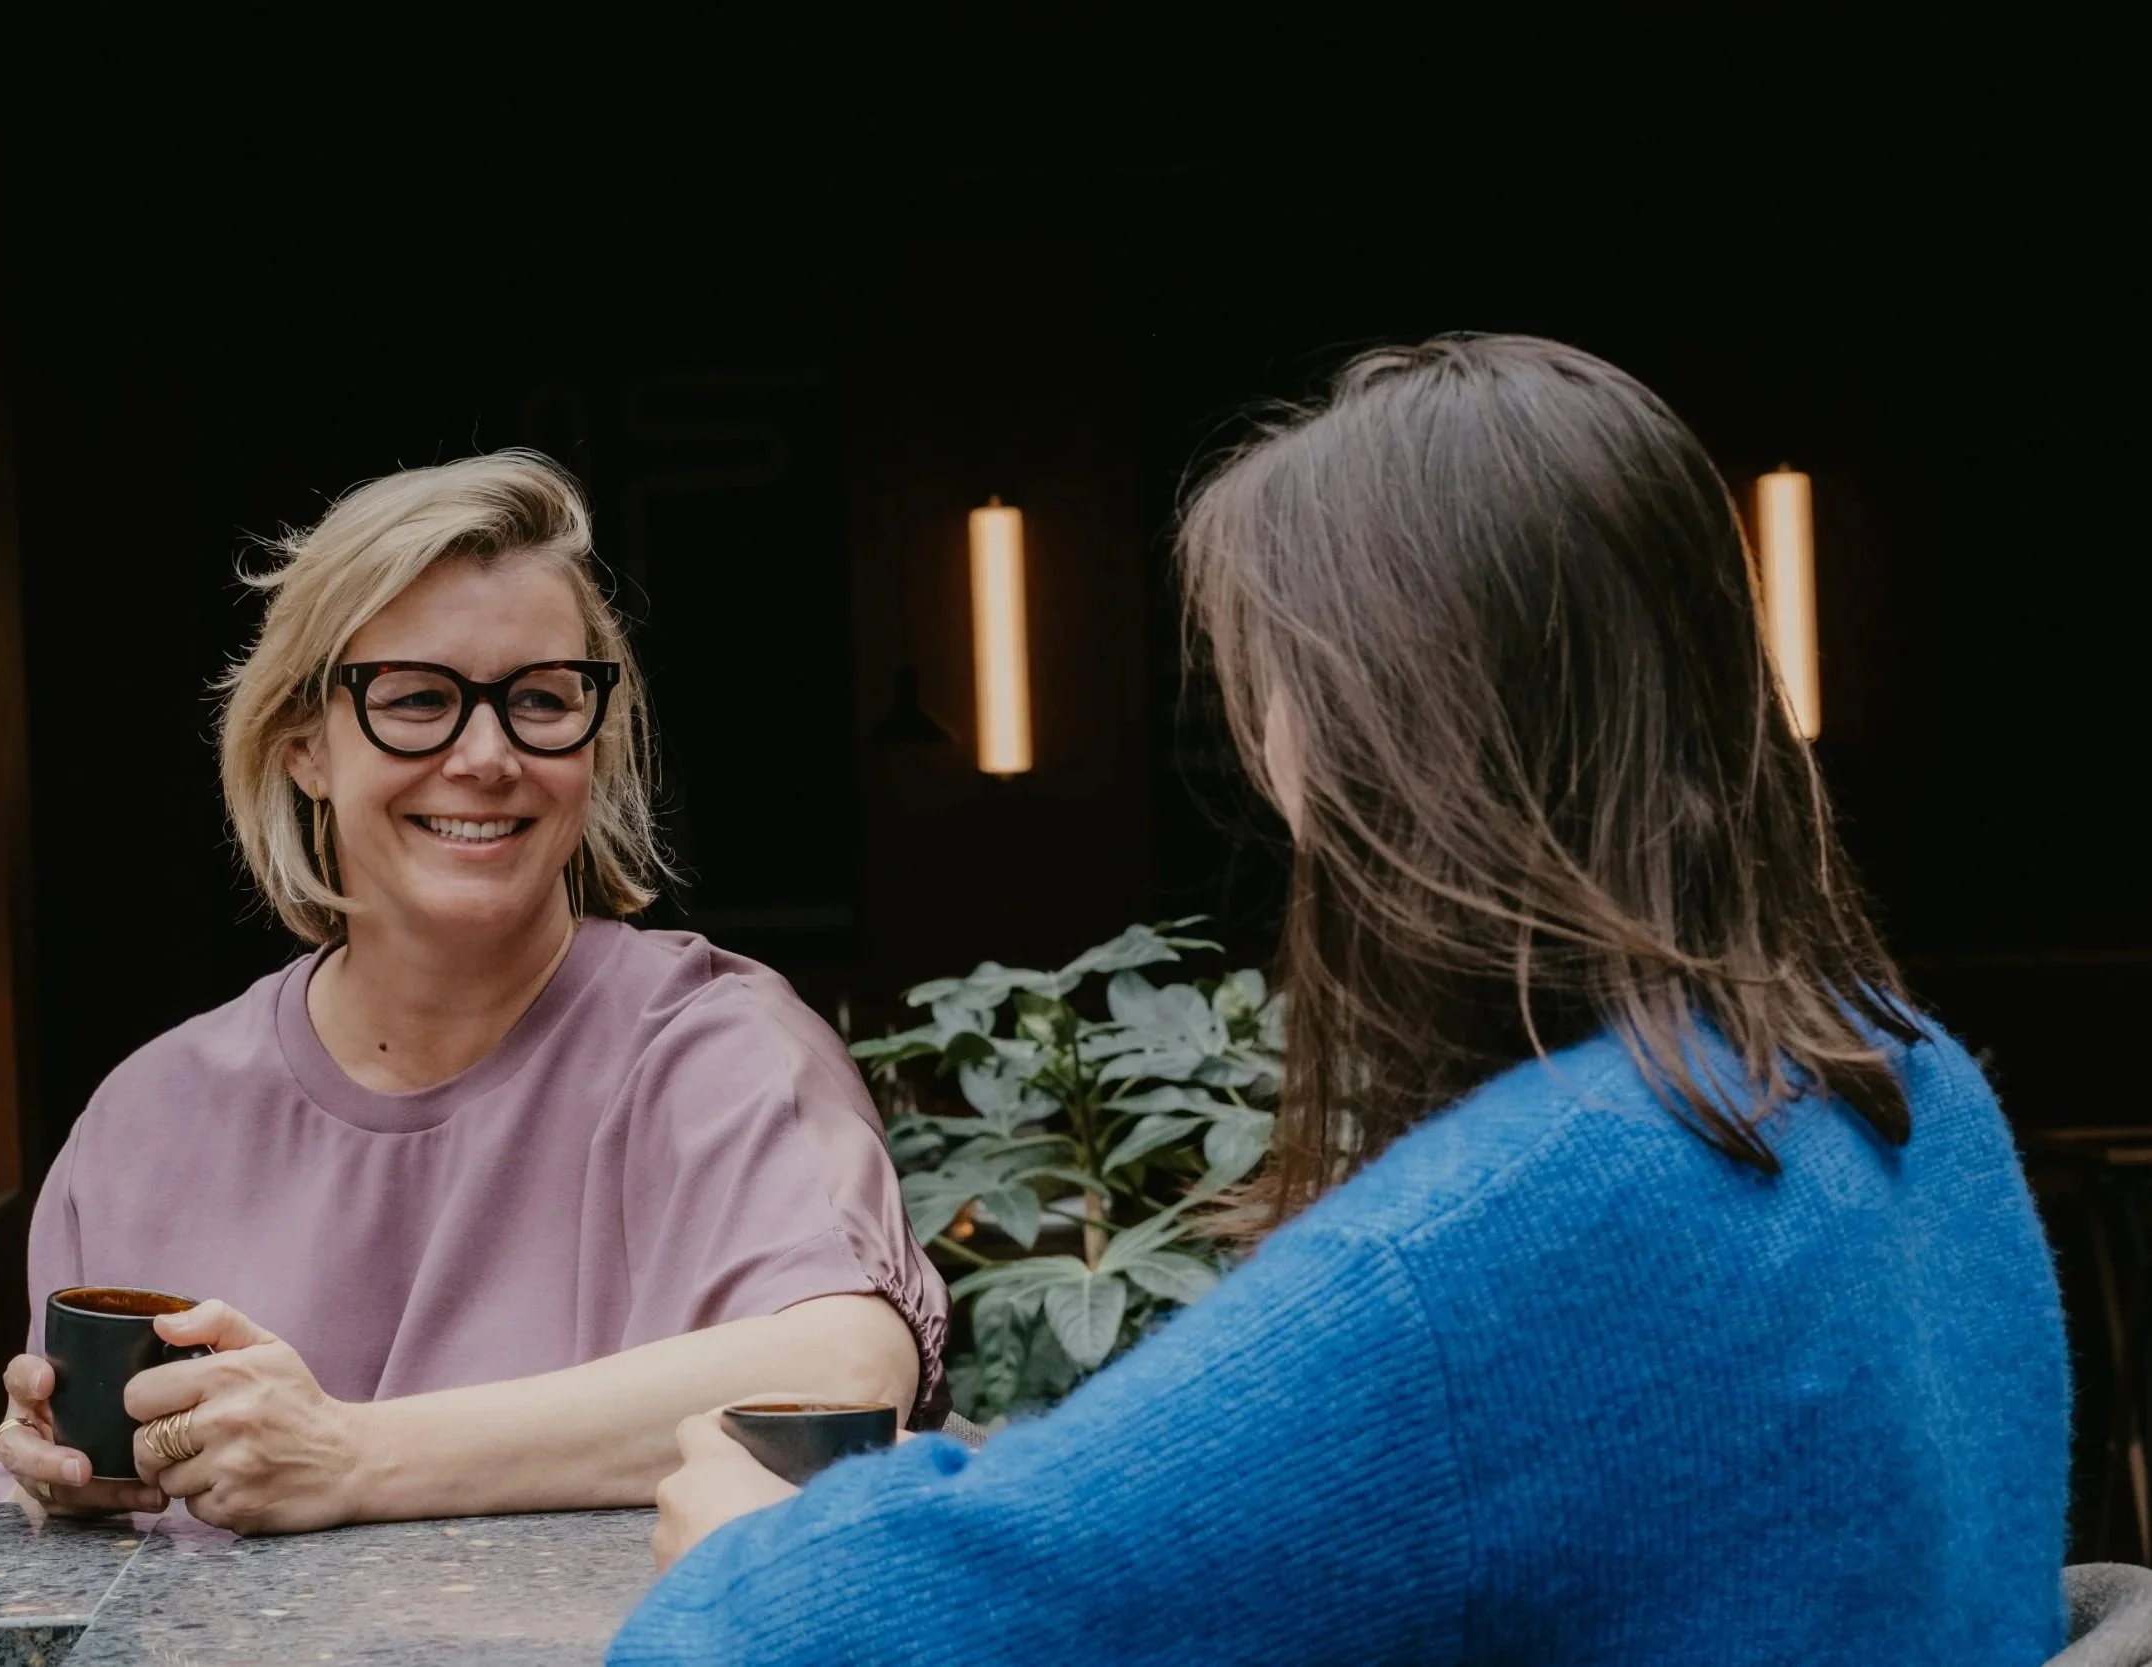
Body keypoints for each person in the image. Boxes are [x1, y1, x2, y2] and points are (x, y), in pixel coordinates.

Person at [612, 336, 2070, 1662]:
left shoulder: (1500, 1236)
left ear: (1375, 725)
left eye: (1268, 684)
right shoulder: (1909, 1075)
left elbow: (814, 1641)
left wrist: (751, 1548)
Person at [0, 452, 944, 1534]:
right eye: (416, 699)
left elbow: (846, 1374)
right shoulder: (148, 1115)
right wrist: (71, 1488)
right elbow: (87, 1563)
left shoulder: (712, 1049)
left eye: (541, 699)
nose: (486, 755)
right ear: (304, 744)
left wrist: (349, 1456)